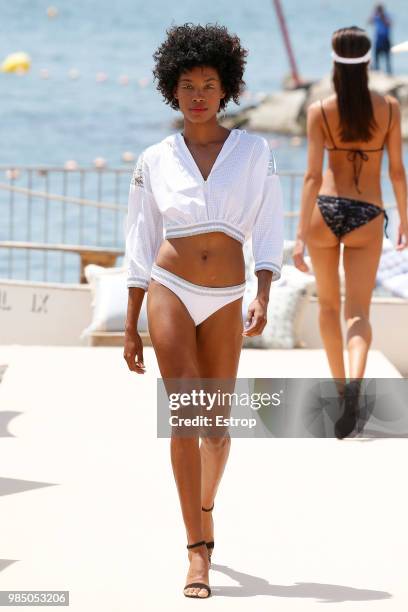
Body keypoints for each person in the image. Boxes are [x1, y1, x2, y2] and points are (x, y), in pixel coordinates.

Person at [123, 23, 284, 598]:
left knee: (216, 427)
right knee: (186, 412)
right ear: (173, 88)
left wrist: (264, 289)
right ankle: (197, 550)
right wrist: (131, 321)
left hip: (227, 296)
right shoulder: (156, 156)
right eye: (187, 84)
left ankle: (206, 504)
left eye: (208, 84)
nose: (197, 94)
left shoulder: (254, 151)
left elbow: (267, 226)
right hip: (169, 285)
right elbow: (141, 239)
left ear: (226, 89)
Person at [292, 26, 408, 438]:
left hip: (324, 210)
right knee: (357, 312)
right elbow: (396, 170)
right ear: (369, 63)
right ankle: (356, 386)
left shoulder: (319, 110)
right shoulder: (390, 108)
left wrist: (301, 235)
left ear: (334, 63)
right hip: (367, 213)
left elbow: (310, 176)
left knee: (327, 307)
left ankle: (341, 391)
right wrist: (406, 221)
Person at [369, 4, 392, 74]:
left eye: (379, 9)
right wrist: (373, 14)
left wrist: (382, 17)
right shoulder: (376, 17)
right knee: (376, 58)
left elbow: (389, 24)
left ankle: (389, 73)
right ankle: (377, 72)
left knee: (387, 59)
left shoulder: (386, 16)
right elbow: (369, 22)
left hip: (385, 39)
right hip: (378, 40)